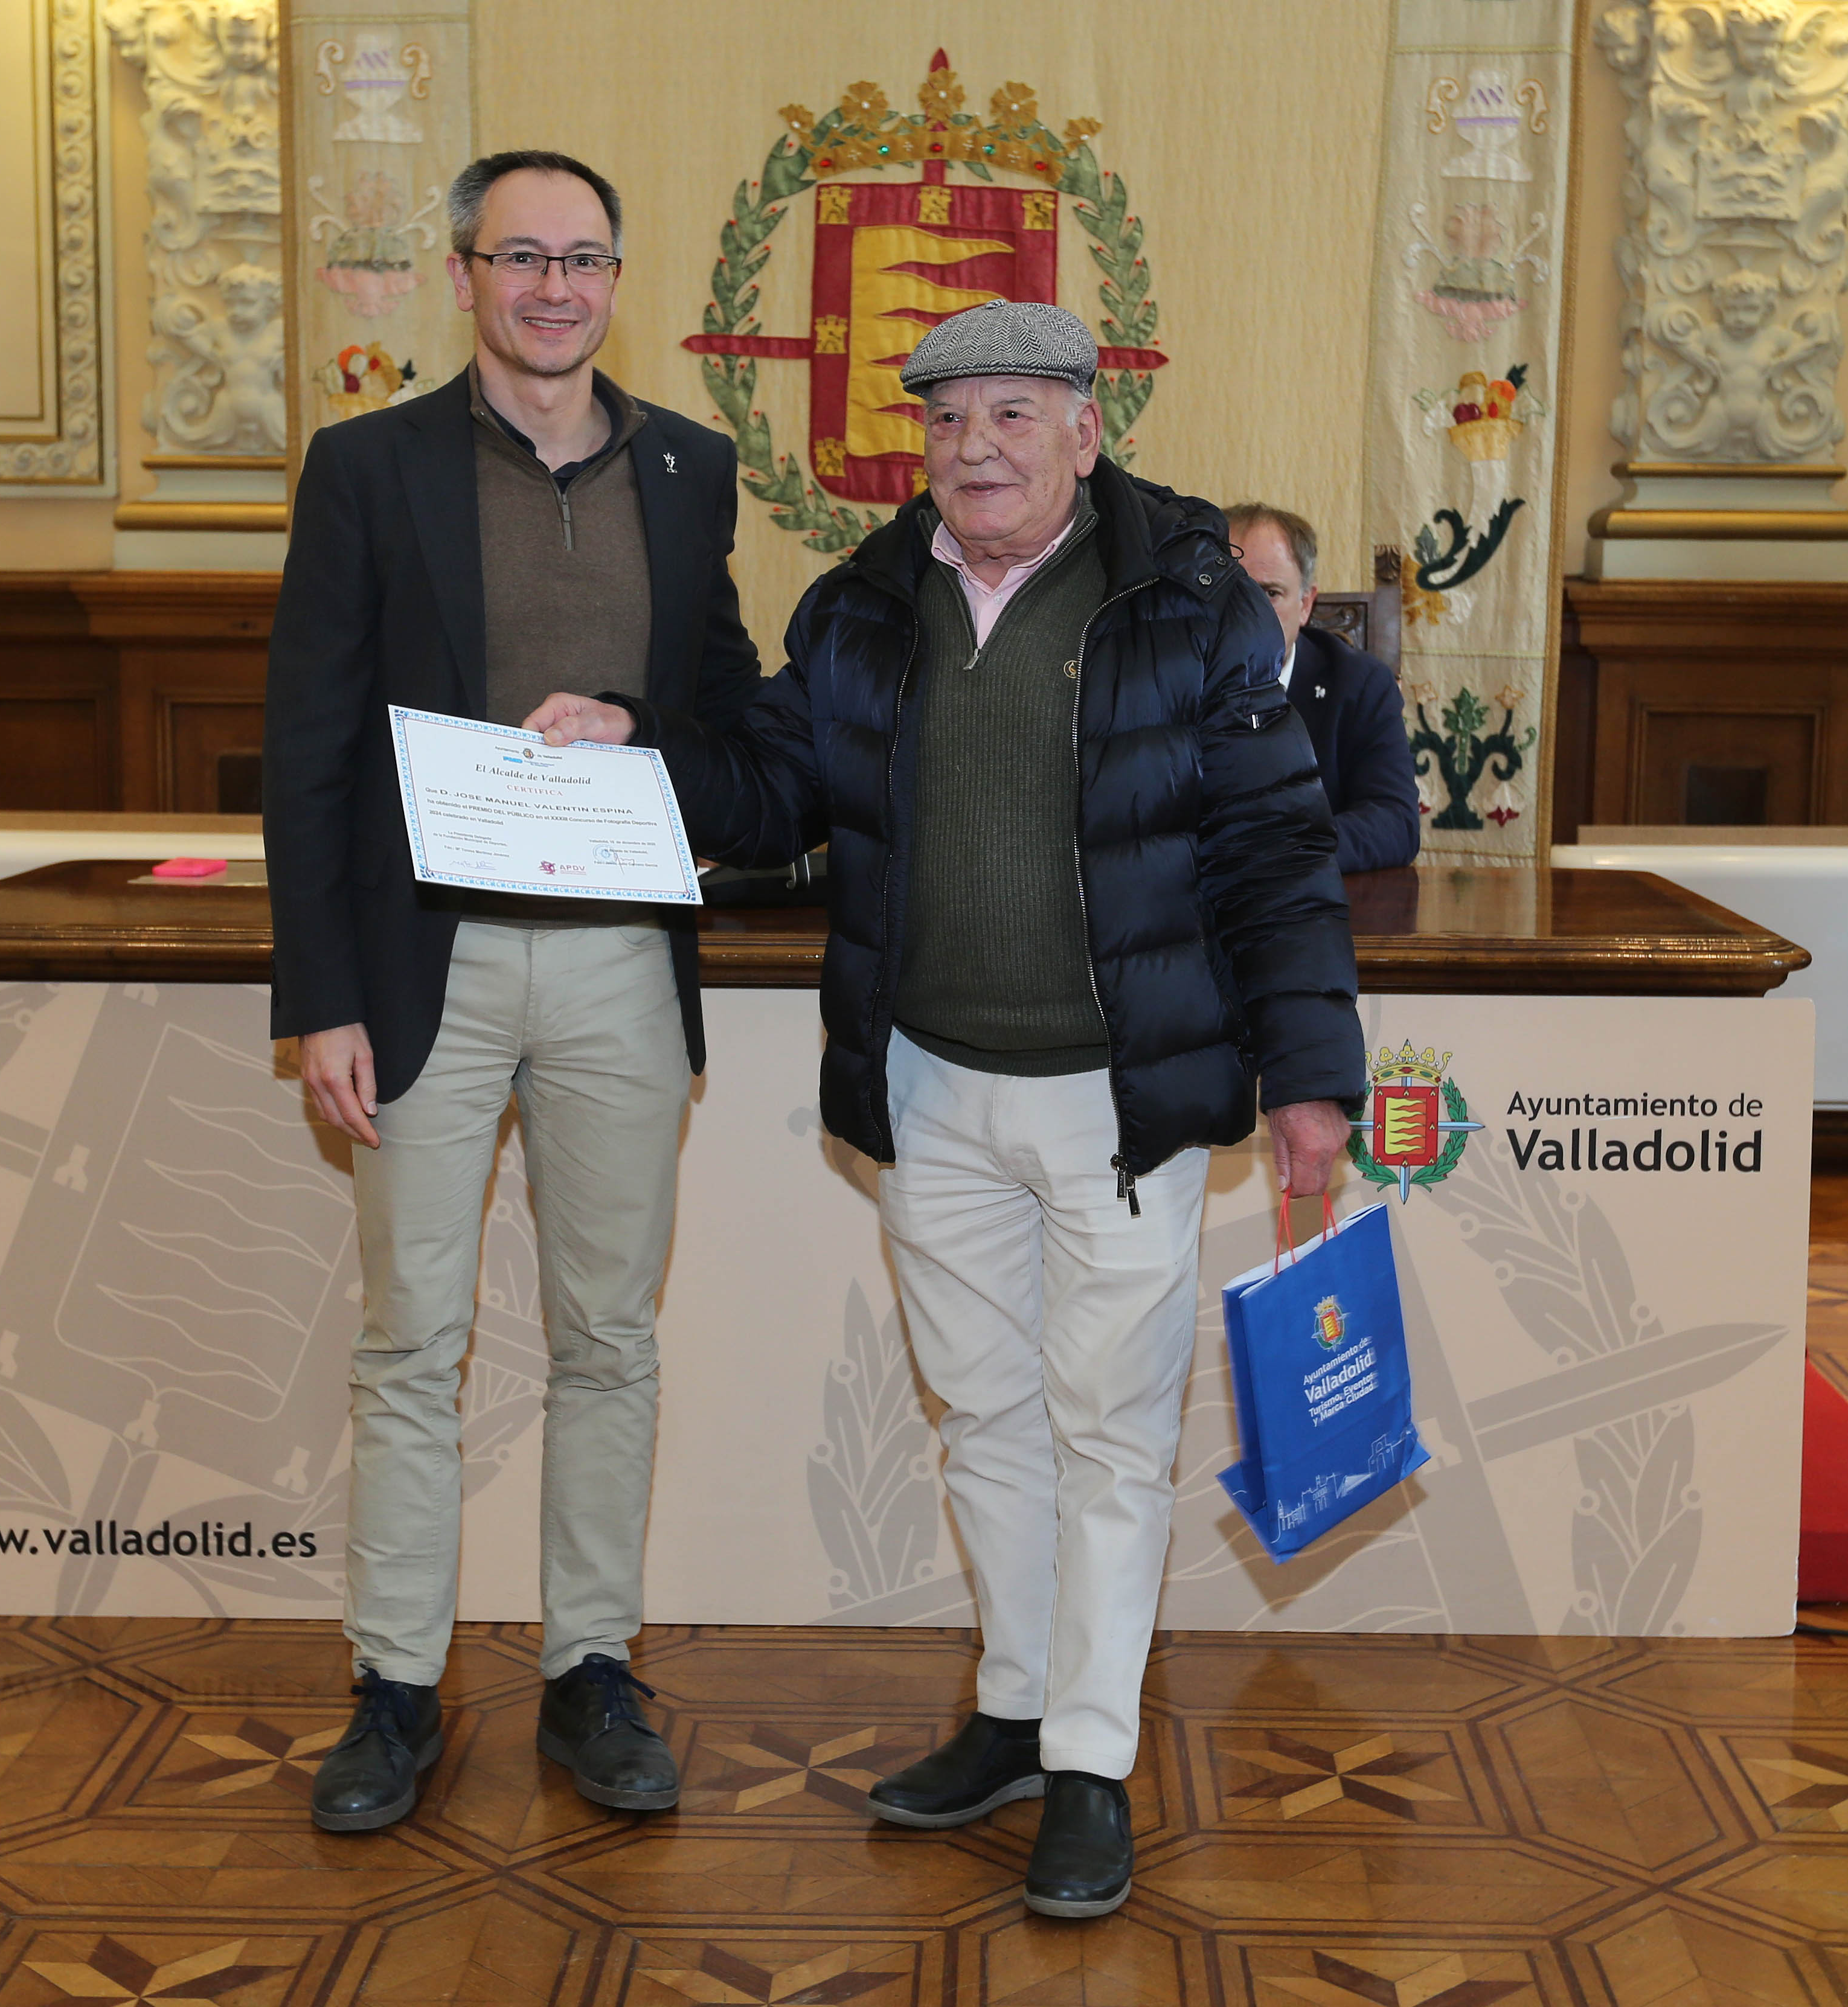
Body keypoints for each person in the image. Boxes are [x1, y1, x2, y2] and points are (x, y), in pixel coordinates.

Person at [529, 301, 1365, 1918]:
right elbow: (777, 788)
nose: (973, 445)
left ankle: (1094, 1760)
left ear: (1082, 430)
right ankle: (1014, 1702)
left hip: (1116, 1103)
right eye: (947, 418)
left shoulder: (1190, 600)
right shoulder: (862, 605)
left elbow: (1276, 847)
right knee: (983, 1414)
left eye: (1010, 414)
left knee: (1109, 1435)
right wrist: (642, 754)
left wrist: (1312, 1073)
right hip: (927, 1081)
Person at [263, 149, 762, 1832]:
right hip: (425, 963)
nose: (557, 287)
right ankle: (396, 1685)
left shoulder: (694, 467)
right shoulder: (367, 468)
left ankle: (589, 1672)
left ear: (619, 279)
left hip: (623, 957)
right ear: (462, 272)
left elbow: (738, 719)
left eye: (587, 259)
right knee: (413, 1341)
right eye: (522, 256)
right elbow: (308, 749)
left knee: (608, 1336)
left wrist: (644, 737)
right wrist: (319, 994)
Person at [1225, 502, 1421, 873]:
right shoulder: (1164, 680)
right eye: (1231, 592)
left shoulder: (1360, 685)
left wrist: (1281, 849)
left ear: (1306, 604)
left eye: (1270, 594)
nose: (1249, 613)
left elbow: (1396, 822)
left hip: (1310, 911)